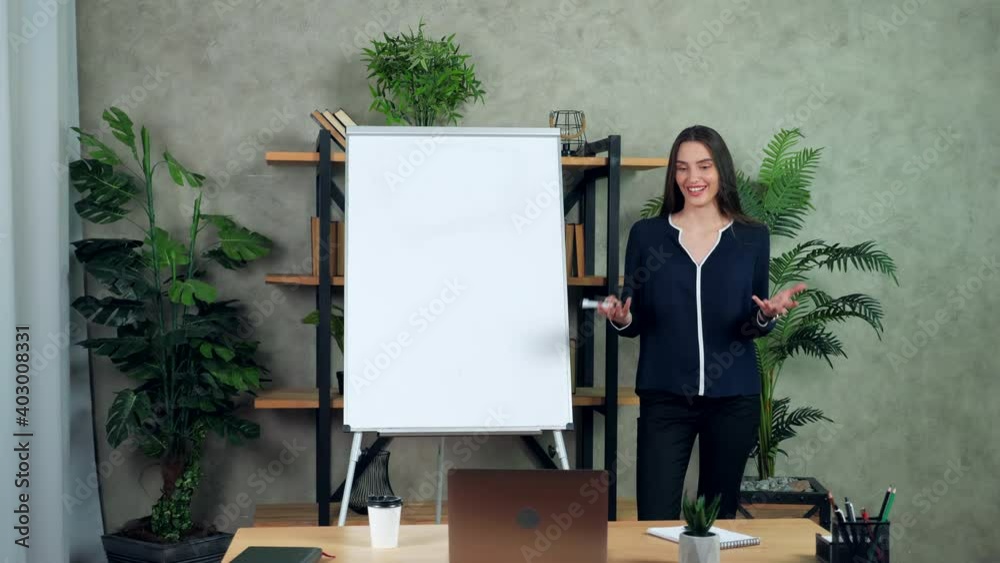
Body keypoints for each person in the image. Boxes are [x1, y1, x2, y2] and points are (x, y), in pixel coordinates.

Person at [596, 125, 806, 520]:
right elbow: (634, 318)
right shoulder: (647, 236)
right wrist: (622, 318)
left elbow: (749, 326)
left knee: (716, 522)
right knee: (654, 519)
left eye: (704, 166)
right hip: (664, 397)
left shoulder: (752, 237)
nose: (693, 177)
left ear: (721, 169)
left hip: (733, 399)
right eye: (682, 168)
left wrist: (765, 314)